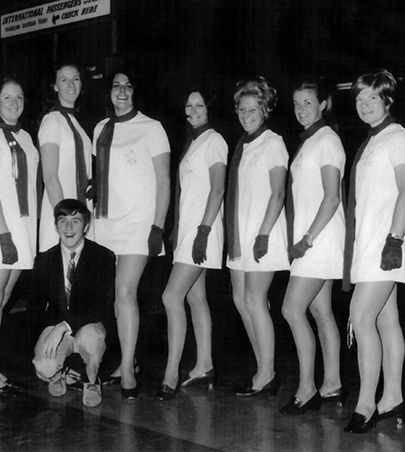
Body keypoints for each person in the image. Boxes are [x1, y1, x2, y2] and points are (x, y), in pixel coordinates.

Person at [343, 70, 405, 433]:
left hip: (387, 247)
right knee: (386, 320)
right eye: (359, 99)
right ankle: (394, 398)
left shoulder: (400, 138)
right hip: (369, 246)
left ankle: (366, 404)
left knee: (361, 318)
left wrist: (394, 242)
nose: (364, 105)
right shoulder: (373, 141)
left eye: (372, 97)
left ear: (387, 99)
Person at [92, 70, 170, 399]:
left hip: (140, 224)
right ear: (109, 91)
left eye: (128, 85)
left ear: (135, 91)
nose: (121, 91)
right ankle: (130, 359)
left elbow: (164, 181)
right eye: (116, 86)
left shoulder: (152, 128)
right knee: (114, 297)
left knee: (125, 291)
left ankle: (126, 370)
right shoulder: (100, 128)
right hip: (105, 223)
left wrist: (158, 227)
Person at [279, 80, 345, 415]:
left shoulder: (327, 141)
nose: (301, 108)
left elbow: (332, 197)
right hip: (313, 241)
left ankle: (307, 389)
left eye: (308, 102)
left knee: (291, 310)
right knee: (320, 312)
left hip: (319, 241)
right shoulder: (311, 141)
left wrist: (306, 239)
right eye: (296, 103)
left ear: (323, 104)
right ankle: (332, 384)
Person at [155, 90, 226, 401]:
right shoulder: (194, 141)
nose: (193, 110)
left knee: (171, 296)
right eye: (189, 105)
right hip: (188, 232)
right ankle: (204, 365)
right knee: (196, 297)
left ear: (209, 108)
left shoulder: (215, 141)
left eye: (200, 105)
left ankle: (171, 373)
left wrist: (203, 232)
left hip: (202, 232)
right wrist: (178, 230)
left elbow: (218, 189)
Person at [0, 75, 39, 397]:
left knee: (1, 300)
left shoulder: (25, 136)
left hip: (22, 230)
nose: (14, 103)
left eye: (19, 97)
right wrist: (3, 236)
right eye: (7, 97)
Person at [226, 77, 288, 397]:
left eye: (253, 109)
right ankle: (263, 368)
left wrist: (263, 235)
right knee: (241, 301)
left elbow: (278, 193)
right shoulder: (244, 144)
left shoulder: (273, 142)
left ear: (265, 110)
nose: (246, 114)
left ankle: (266, 374)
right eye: (242, 109)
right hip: (241, 234)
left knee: (254, 300)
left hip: (264, 234)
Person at [30, 198, 115, 407]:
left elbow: (102, 306)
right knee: (44, 366)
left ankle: (91, 380)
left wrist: (64, 326)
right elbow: (34, 309)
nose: (68, 228)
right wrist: (44, 337)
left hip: (89, 326)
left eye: (75, 221)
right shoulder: (43, 260)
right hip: (59, 330)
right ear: (55, 226)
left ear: (85, 226)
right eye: (63, 221)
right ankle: (58, 373)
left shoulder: (103, 256)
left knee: (91, 340)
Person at [38, 63, 93, 252]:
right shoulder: (52, 120)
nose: (71, 85)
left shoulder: (75, 122)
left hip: (81, 209)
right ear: (55, 86)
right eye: (64, 80)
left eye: (75, 79)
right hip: (62, 211)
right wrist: (66, 219)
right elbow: (50, 176)